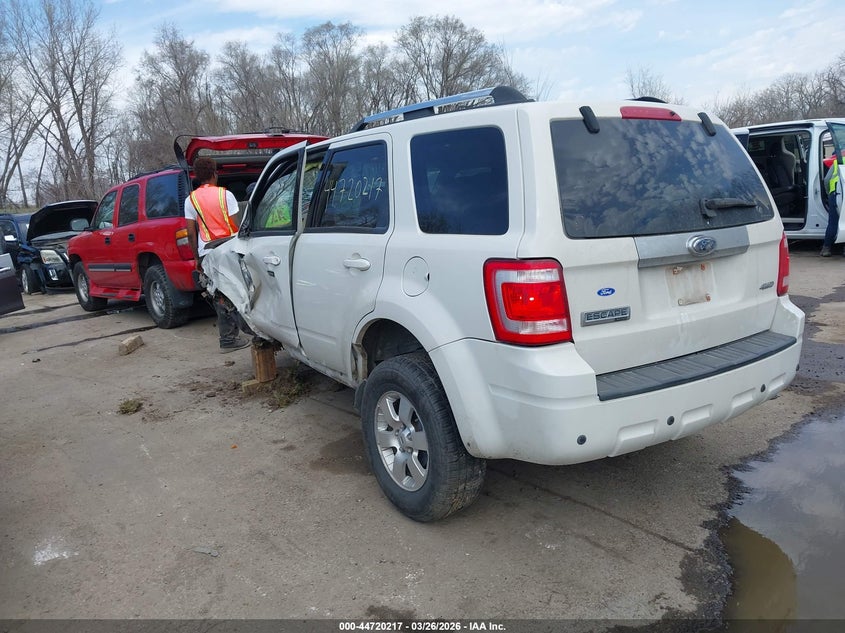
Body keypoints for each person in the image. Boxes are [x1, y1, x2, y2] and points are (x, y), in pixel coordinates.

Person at [184, 157, 251, 352]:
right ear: (215, 173)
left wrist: (197, 258)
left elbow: (190, 232)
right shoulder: (226, 195)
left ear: (196, 176)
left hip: (207, 252)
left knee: (220, 294)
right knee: (241, 290)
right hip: (228, 249)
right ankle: (239, 336)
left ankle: (228, 338)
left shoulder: (191, 200)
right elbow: (237, 225)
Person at [821, 153, 840, 257]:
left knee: (833, 222)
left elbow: (827, 179)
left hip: (836, 194)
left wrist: (829, 193)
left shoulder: (837, 162)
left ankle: (826, 248)